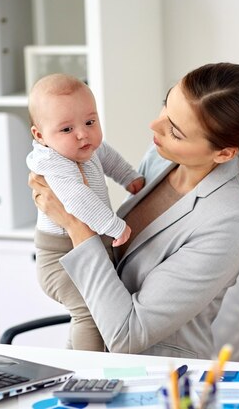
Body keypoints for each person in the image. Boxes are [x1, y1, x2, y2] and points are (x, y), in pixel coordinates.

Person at [29, 63, 239, 359]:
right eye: (166, 106)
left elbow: (128, 336)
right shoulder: (161, 157)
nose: (154, 126)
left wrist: (73, 223)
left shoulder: (230, 221)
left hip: (155, 372)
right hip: (92, 345)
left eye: (175, 131)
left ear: (224, 153)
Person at [26, 73, 145, 351]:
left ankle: (70, 362)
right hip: (60, 257)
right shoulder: (52, 161)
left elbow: (109, 158)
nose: (82, 134)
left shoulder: (86, 148)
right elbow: (76, 200)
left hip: (87, 247)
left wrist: (129, 177)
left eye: (90, 122)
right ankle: (86, 372)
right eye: (66, 129)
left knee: (95, 311)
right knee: (89, 313)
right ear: (40, 136)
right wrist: (113, 226)